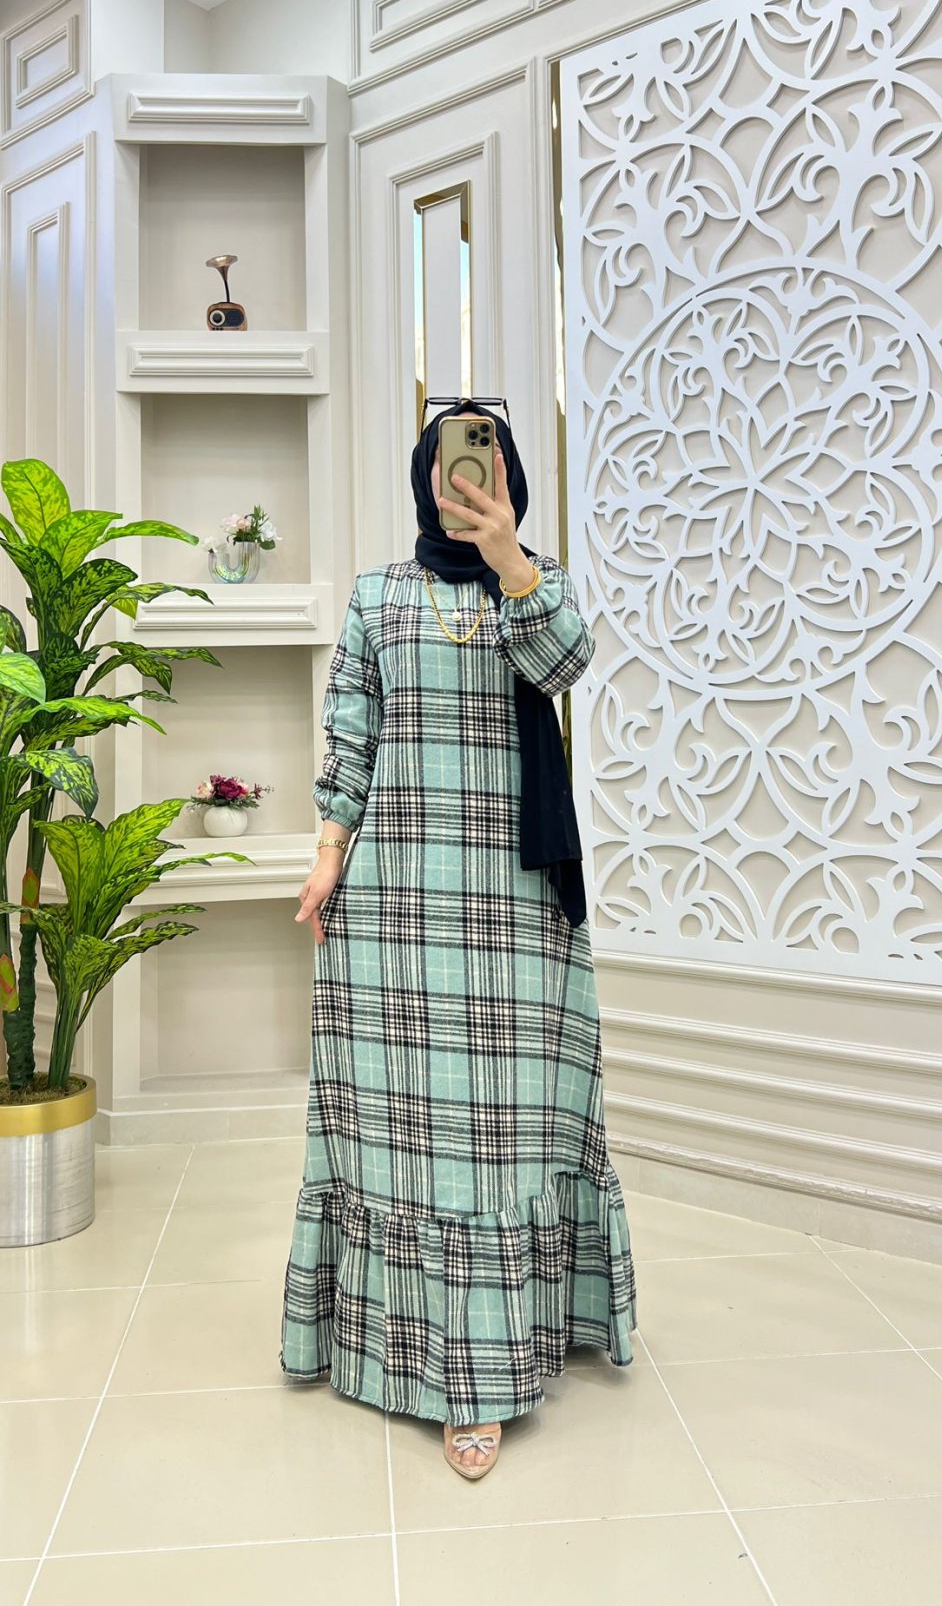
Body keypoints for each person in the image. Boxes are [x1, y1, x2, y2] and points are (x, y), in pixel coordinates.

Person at [281, 404, 636, 1479]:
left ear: (507, 475)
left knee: (503, 1130)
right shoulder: (378, 596)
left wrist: (508, 557)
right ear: (423, 475)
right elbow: (351, 731)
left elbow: (568, 663)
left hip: (515, 902)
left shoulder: (535, 583)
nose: (462, 477)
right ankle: (392, 1351)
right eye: (447, 460)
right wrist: (327, 852)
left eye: (481, 459)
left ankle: (482, 1367)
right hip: (395, 897)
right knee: (400, 1123)